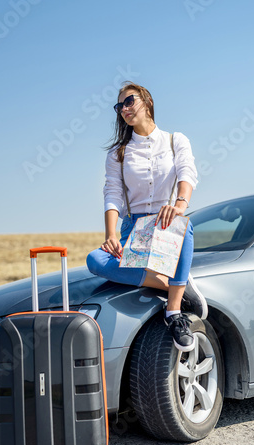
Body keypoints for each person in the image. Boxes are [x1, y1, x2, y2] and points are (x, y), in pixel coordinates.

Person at [87, 82, 208, 352]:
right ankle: (174, 285)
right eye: (119, 106)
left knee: (182, 224)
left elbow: (188, 172)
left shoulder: (176, 140)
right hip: (135, 229)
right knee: (94, 259)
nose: (124, 109)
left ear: (147, 101)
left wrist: (179, 204)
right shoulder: (118, 153)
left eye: (129, 101)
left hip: (165, 225)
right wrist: (111, 234)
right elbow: (113, 192)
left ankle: (174, 313)